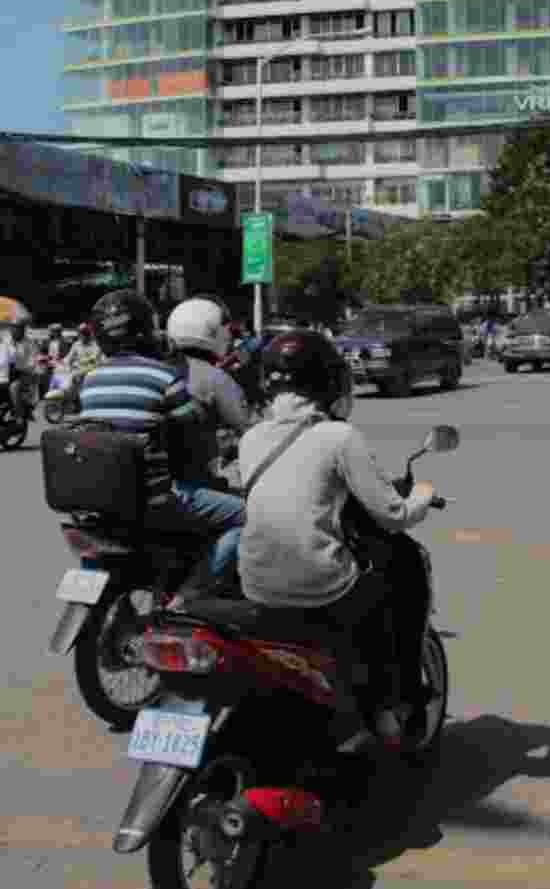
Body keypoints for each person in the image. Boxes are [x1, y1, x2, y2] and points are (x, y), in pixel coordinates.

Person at [238, 331, 435, 748]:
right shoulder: (339, 437)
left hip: (254, 585)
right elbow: (393, 516)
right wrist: (423, 495)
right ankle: (390, 703)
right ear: (328, 382)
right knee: (399, 574)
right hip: (319, 587)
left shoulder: (251, 438)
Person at [79, 290, 244, 585]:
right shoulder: (165, 376)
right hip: (155, 498)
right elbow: (192, 426)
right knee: (247, 516)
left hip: (102, 497)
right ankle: (195, 591)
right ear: (148, 330)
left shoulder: (90, 380)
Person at [166, 296, 250, 487]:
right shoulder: (216, 378)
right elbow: (247, 430)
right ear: (210, 330)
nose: (229, 337)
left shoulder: (159, 368)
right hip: (195, 482)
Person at [0, 319, 36, 419]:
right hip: (5, 373)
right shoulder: (6, 341)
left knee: (14, 388)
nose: (15, 330)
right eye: (13, 328)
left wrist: (23, 367)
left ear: (22, 329)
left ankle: (18, 415)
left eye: (18, 328)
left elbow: (33, 360)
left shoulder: (29, 343)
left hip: (23, 374)